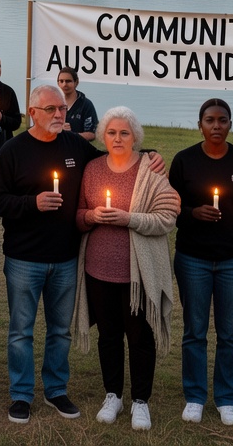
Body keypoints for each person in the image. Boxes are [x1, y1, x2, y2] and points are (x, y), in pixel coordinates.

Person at [0, 84, 160, 424]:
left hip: (66, 258)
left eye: (62, 109)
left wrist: (150, 154)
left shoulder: (75, 146)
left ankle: (55, 390)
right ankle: (21, 395)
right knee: (21, 330)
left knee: (60, 330)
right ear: (32, 113)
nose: (58, 115)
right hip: (24, 258)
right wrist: (30, 203)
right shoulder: (12, 150)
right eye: (50, 109)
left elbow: (113, 157)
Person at [73, 107, 180, 432]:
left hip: (138, 274)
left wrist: (128, 219)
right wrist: (91, 217)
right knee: (108, 336)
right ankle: (113, 395)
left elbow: (168, 217)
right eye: (112, 133)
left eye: (124, 133)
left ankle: (141, 401)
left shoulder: (151, 170)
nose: (117, 138)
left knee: (140, 336)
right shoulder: (92, 169)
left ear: (136, 136)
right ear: (103, 136)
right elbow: (78, 215)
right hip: (98, 270)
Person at [167, 98, 233, 427]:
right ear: (200, 125)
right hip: (193, 258)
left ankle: (226, 397)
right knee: (194, 330)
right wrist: (194, 212)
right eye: (210, 120)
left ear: (231, 124)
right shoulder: (184, 160)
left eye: (222, 120)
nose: (216, 126)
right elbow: (170, 209)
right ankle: (194, 395)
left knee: (230, 332)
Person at [56, 68, 97, 141]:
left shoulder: (86, 104)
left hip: (78, 150)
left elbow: (92, 134)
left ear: (76, 82)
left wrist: (72, 135)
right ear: (58, 83)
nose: (64, 84)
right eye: (61, 81)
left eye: (68, 81)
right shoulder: (52, 103)